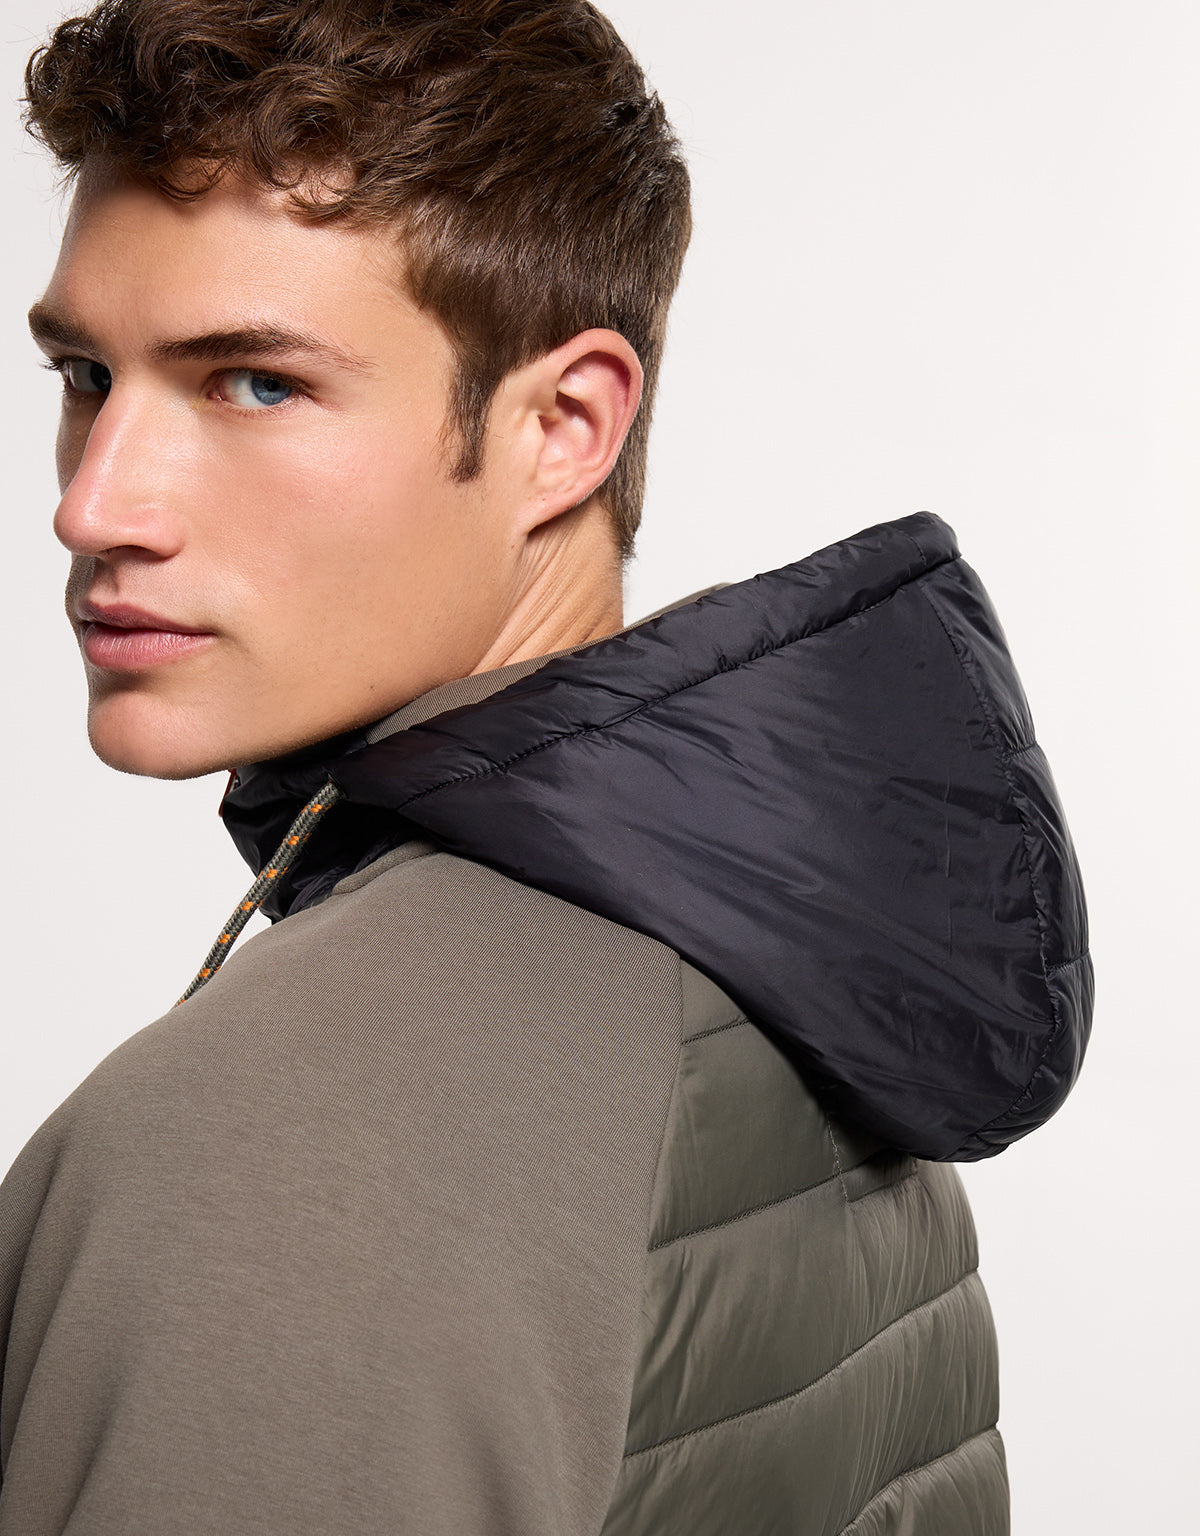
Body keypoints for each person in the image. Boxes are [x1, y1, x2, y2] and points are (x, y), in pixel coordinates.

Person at [0, 1, 1092, 1531]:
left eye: (254, 382)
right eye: (83, 376)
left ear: (564, 427)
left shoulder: (296, 1138)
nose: (95, 504)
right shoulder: (780, 964)